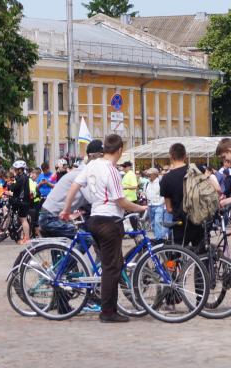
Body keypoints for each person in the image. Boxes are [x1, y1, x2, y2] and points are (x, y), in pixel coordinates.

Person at [60, 134, 147, 323]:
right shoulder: (112, 171)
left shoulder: (92, 165)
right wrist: (141, 207)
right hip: (109, 221)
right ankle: (108, 312)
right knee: (111, 268)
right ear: (119, 150)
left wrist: (67, 209)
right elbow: (121, 201)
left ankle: (107, 304)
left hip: (95, 219)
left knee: (110, 264)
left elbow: (75, 185)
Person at [38, 140, 99, 241]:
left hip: (50, 215)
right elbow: (92, 198)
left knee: (60, 251)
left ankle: (67, 257)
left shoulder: (83, 171)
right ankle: (72, 257)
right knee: (86, 239)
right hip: (51, 218)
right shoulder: (84, 173)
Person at [10, 161, 32, 244]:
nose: (15, 171)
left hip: (22, 201)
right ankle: (26, 237)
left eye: (16, 169)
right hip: (23, 201)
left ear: (20, 169)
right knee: (22, 219)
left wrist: (11, 186)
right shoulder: (23, 177)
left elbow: (15, 187)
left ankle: (27, 238)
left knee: (23, 220)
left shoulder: (22, 178)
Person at [142, 167, 164, 240]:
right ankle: (158, 237)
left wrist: (162, 203)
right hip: (150, 206)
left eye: (150, 174)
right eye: (148, 174)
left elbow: (164, 194)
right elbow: (145, 193)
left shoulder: (160, 182)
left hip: (159, 205)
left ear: (155, 174)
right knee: (153, 224)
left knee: (158, 222)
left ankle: (159, 239)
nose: (148, 175)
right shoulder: (147, 183)